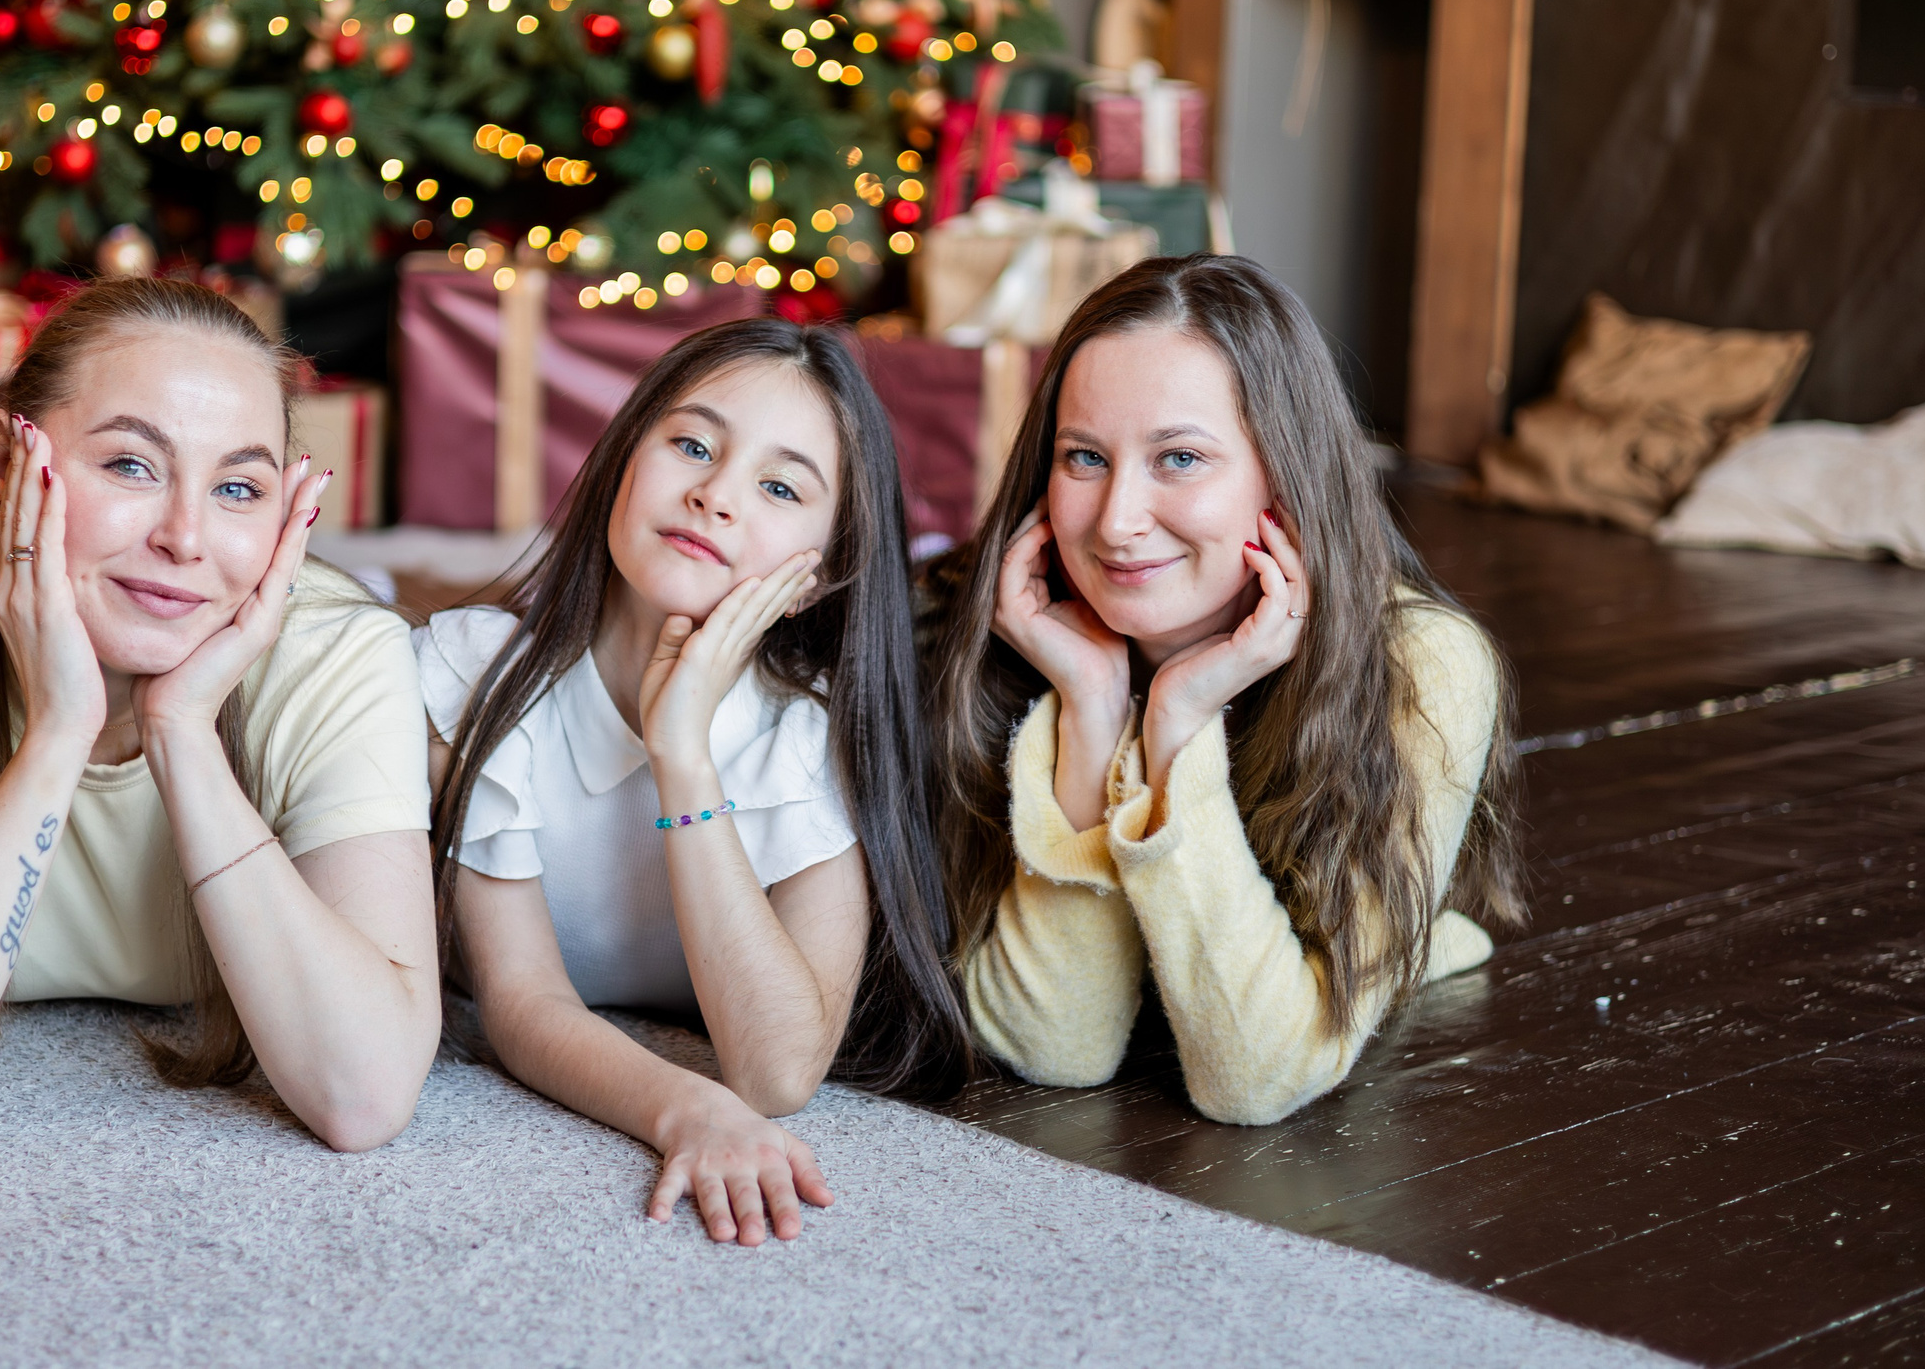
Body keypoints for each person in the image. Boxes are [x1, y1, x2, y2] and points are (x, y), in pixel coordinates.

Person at [0, 278, 440, 1165]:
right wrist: (57, 736)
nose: (186, 536)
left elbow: (364, 1095)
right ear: (7, 461)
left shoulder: (341, 653)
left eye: (240, 488)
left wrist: (181, 734)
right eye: (132, 464)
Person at [929, 254, 1525, 1125]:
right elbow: (1055, 1044)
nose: (1117, 519)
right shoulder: (1013, 633)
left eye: (1178, 457)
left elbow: (1256, 1077)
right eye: (1084, 457)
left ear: (1284, 474)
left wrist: (1178, 723)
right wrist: (1092, 713)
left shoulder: (1424, 664)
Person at [418, 319, 967, 1246]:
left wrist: (683, 752)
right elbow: (519, 1001)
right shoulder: (479, 676)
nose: (714, 495)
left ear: (816, 575)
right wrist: (682, 1107)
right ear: (624, 462)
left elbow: (777, 1070)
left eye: (780, 485)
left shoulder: (807, 736)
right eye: (692, 444)